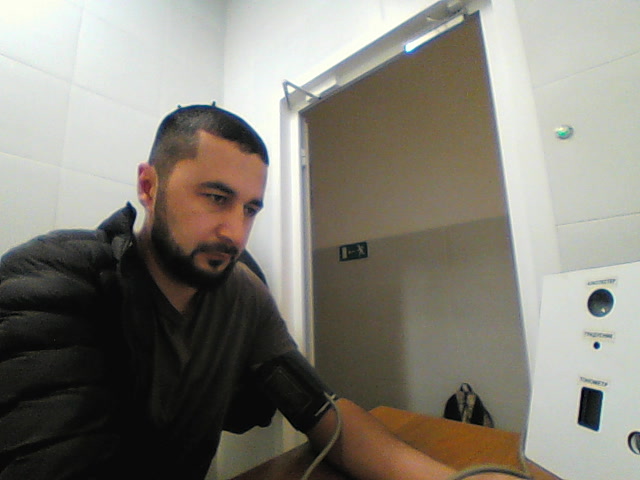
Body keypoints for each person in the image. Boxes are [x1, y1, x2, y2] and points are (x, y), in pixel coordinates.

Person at [0, 105, 520, 480]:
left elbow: (322, 414)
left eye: (249, 209)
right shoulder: (55, 281)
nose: (235, 231)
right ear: (149, 187)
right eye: (216, 197)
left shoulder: (242, 296)